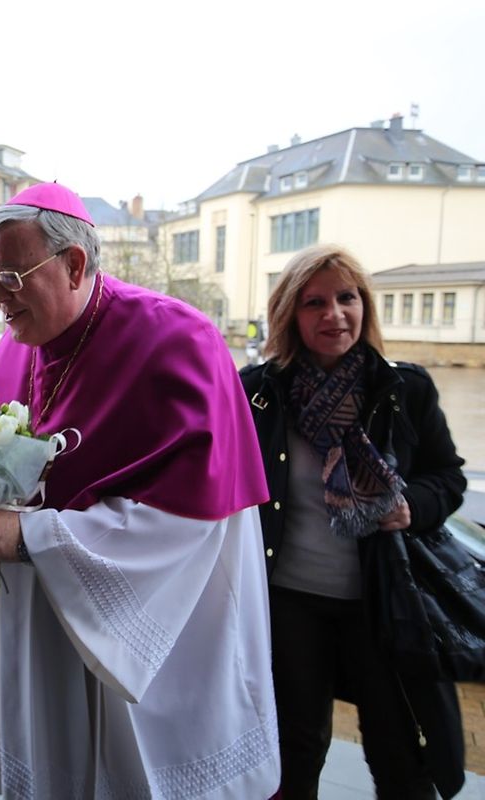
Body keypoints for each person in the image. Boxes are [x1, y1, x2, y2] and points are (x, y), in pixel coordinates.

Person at [0, 182, 281, 797]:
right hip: (44, 615)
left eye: (11, 274)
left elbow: (193, 522)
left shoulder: (178, 340)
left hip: (161, 620)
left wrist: (31, 534)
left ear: (73, 264)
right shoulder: (18, 346)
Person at [239, 244, 466, 799]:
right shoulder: (259, 391)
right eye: (314, 302)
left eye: (347, 298)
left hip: (382, 599)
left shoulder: (403, 388)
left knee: (399, 751)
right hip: (290, 599)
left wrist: (413, 505)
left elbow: (449, 476)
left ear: (365, 304)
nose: (334, 314)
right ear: (289, 313)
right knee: (294, 747)